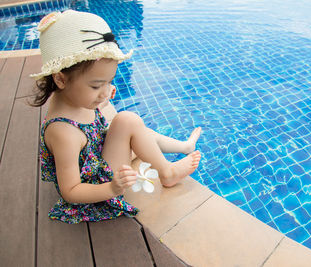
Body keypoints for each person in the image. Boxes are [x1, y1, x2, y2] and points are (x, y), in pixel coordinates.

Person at [30, 10, 201, 224]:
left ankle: (184, 147)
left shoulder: (71, 96)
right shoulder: (63, 132)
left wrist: (99, 97)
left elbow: (83, 115)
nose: (105, 90)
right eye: (96, 85)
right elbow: (70, 191)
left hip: (98, 162)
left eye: (109, 81)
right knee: (128, 121)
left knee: (138, 131)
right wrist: (111, 188)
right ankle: (167, 172)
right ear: (61, 79)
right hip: (96, 190)